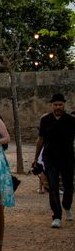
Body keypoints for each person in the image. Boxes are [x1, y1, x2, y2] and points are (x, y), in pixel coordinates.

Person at [32, 93, 75, 228]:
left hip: (67, 158)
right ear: (52, 105)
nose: (57, 107)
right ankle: (56, 216)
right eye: (55, 105)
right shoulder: (45, 120)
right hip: (50, 158)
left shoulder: (71, 120)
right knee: (53, 187)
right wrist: (36, 157)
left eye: (60, 104)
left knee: (69, 186)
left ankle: (67, 206)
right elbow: (40, 140)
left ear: (64, 105)